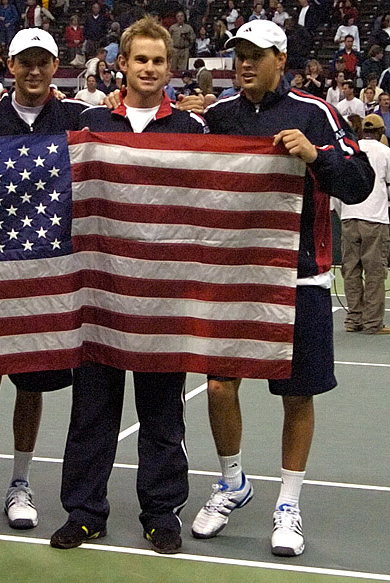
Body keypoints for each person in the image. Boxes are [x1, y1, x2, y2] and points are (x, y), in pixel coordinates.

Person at [191, 19, 374, 557]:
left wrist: (318, 156)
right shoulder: (218, 117)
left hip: (300, 275)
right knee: (221, 386)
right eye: (239, 55)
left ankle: (289, 502)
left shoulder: (315, 114)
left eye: (255, 54)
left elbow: (360, 183)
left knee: (297, 395)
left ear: (281, 57)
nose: (244, 63)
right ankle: (232, 483)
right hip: (234, 275)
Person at [50, 16, 207, 556]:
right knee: (92, 412)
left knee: (163, 413)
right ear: (122, 63)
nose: (148, 68)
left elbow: (208, 205)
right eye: (140, 59)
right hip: (100, 294)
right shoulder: (90, 124)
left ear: (171, 68)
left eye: (158, 61)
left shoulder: (192, 131)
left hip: (162, 297)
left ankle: (161, 513)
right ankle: (85, 512)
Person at [0, 27, 82, 545]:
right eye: (24, 62)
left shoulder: (76, 119)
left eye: (43, 63)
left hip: (48, 271)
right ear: (9, 65)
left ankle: (20, 483)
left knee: (31, 385)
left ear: (56, 67)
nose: (33, 71)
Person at [334, 113, 390, 335]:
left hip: (349, 217)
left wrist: (343, 214)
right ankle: (372, 323)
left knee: (351, 271)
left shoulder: (349, 151)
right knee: (375, 272)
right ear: (380, 132)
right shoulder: (386, 152)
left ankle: (353, 319)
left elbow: (336, 188)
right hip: (375, 219)